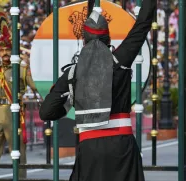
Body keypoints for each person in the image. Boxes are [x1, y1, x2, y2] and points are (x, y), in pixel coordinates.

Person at [39, 1, 156, 180]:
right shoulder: (120, 60)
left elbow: (47, 112)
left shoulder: (73, 72)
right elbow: (142, 25)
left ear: (84, 41)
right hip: (121, 146)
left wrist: (70, 102)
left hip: (90, 147)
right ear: (108, 39)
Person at [0, 8, 38, 178]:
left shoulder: (21, 68)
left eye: (7, 50)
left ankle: (20, 178)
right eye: (1, 50)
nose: (4, 53)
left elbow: (35, 87)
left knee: (17, 153)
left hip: (13, 114)